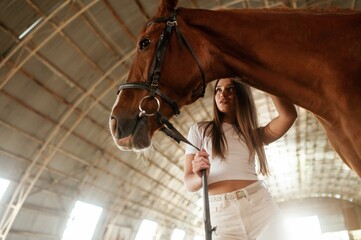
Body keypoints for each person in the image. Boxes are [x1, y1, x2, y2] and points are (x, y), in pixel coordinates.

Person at [184, 77, 297, 240]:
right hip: (222, 217)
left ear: (242, 94)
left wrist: (264, 77)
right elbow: (189, 183)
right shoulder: (199, 130)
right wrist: (200, 176)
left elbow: (288, 116)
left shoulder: (253, 135)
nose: (223, 94)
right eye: (218, 90)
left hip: (260, 208)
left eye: (230, 89)